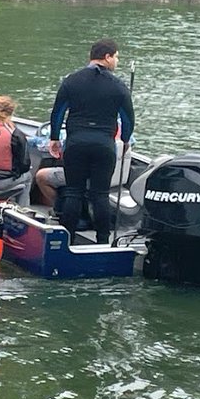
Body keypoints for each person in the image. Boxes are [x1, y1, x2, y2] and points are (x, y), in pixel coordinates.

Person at [48, 39, 135, 246]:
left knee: (73, 192)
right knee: (101, 195)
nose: (117, 61)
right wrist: (125, 140)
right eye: (116, 57)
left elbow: (58, 113)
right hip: (104, 146)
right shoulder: (119, 87)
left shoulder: (71, 81)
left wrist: (54, 138)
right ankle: (103, 241)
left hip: (76, 143)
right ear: (107, 57)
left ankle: (66, 239)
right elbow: (128, 119)